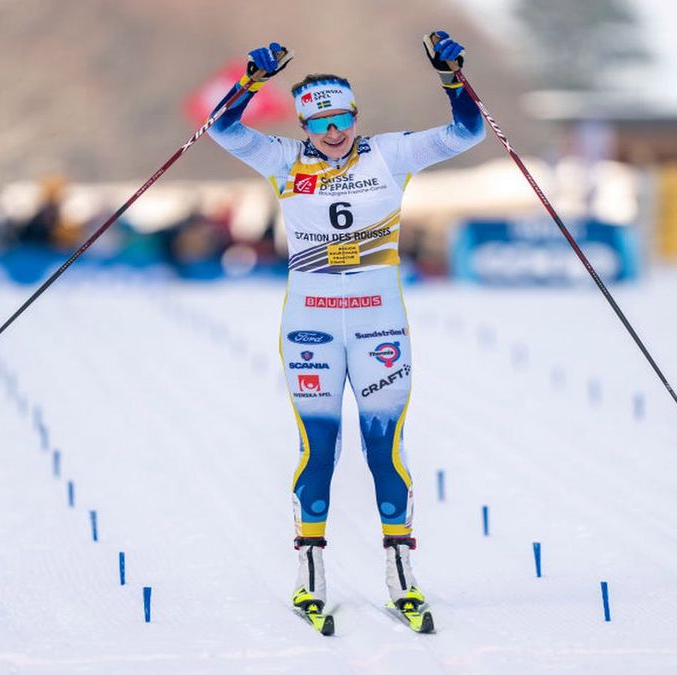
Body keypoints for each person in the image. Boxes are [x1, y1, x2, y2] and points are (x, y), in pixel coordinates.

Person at [207, 31, 483, 630]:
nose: (334, 130)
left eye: (343, 118)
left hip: (378, 322)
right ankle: (310, 572)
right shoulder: (284, 161)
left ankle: (402, 575)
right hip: (311, 326)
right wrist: (249, 84)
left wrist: (452, 78)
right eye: (321, 120)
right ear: (305, 125)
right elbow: (223, 130)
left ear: (356, 116)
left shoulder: (390, 154)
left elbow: (469, 133)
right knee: (320, 449)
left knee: (386, 448)